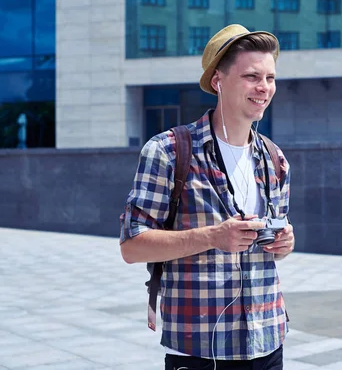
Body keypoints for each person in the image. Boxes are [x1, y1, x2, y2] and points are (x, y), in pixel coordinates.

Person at [120, 24, 295, 370]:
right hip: (201, 348)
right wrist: (214, 237)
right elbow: (132, 246)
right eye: (251, 76)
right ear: (218, 80)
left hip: (268, 342)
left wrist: (285, 242)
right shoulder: (168, 151)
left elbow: (277, 242)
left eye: (270, 78)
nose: (264, 88)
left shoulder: (275, 159)